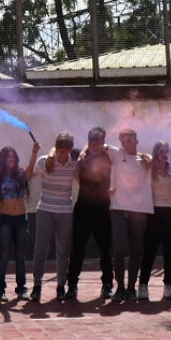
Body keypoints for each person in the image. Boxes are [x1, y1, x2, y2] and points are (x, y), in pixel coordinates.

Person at [65, 127, 115, 302]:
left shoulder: (109, 156)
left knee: (105, 250)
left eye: (98, 141)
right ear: (88, 141)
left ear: (103, 142)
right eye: (92, 141)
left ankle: (108, 285)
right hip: (83, 208)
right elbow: (59, 149)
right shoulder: (80, 155)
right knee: (77, 249)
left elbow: (127, 153)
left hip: (102, 208)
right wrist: (84, 151)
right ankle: (71, 285)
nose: (95, 145)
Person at [28, 134, 76, 302]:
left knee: (63, 250)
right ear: (56, 148)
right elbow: (28, 176)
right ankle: (37, 285)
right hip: (45, 209)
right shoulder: (44, 161)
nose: (61, 155)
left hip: (65, 210)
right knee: (40, 248)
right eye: (59, 151)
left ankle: (61, 285)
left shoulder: (74, 164)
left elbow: (83, 181)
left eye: (65, 152)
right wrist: (34, 153)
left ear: (70, 150)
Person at [110, 128, 153, 302]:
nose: (126, 144)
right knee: (119, 249)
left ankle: (131, 288)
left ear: (136, 140)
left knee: (136, 250)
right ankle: (119, 287)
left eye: (129, 140)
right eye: (123, 141)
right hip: (118, 209)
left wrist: (147, 156)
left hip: (140, 210)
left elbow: (165, 160)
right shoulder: (115, 154)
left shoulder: (145, 159)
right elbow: (93, 144)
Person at [0, 143, 35, 303]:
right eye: (8, 156)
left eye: (13, 156)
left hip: (21, 219)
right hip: (6, 219)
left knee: (20, 256)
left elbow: (31, 169)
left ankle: (21, 288)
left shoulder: (21, 174)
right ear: (3, 159)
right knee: (4, 256)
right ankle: (0, 290)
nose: (11, 159)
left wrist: (34, 151)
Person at [138, 141, 171, 300]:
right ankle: (143, 285)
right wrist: (144, 157)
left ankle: (169, 285)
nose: (164, 154)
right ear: (155, 153)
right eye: (160, 151)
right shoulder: (150, 165)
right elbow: (138, 159)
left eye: (166, 151)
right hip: (154, 212)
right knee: (149, 251)